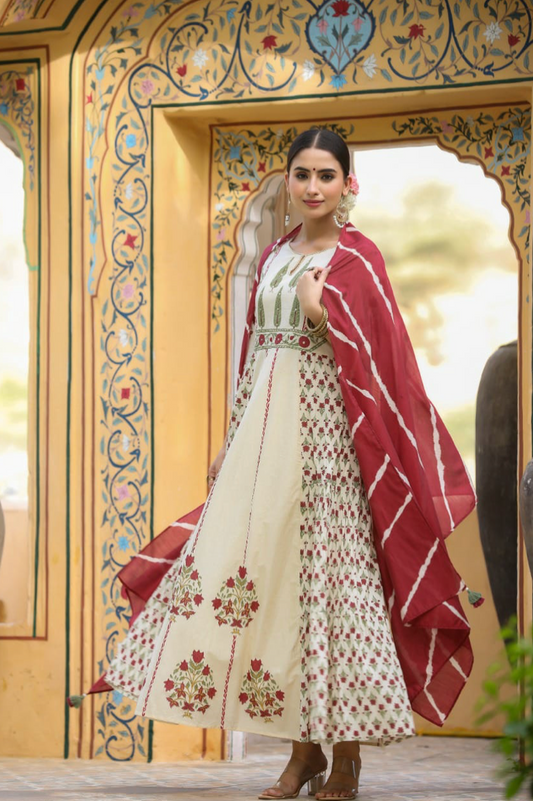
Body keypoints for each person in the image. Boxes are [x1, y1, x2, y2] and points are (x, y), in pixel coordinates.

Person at [93, 128, 477, 800]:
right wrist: (230, 438)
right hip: (262, 448)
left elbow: (384, 360)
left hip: (329, 445)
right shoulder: (273, 255)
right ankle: (301, 757)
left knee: (329, 591)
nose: (311, 187)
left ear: (346, 185)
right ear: (288, 181)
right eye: (300, 174)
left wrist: (320, 314)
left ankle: (347, 757)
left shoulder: (357, 259)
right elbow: (253, 356)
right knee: (273, 591)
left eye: (325, 175)